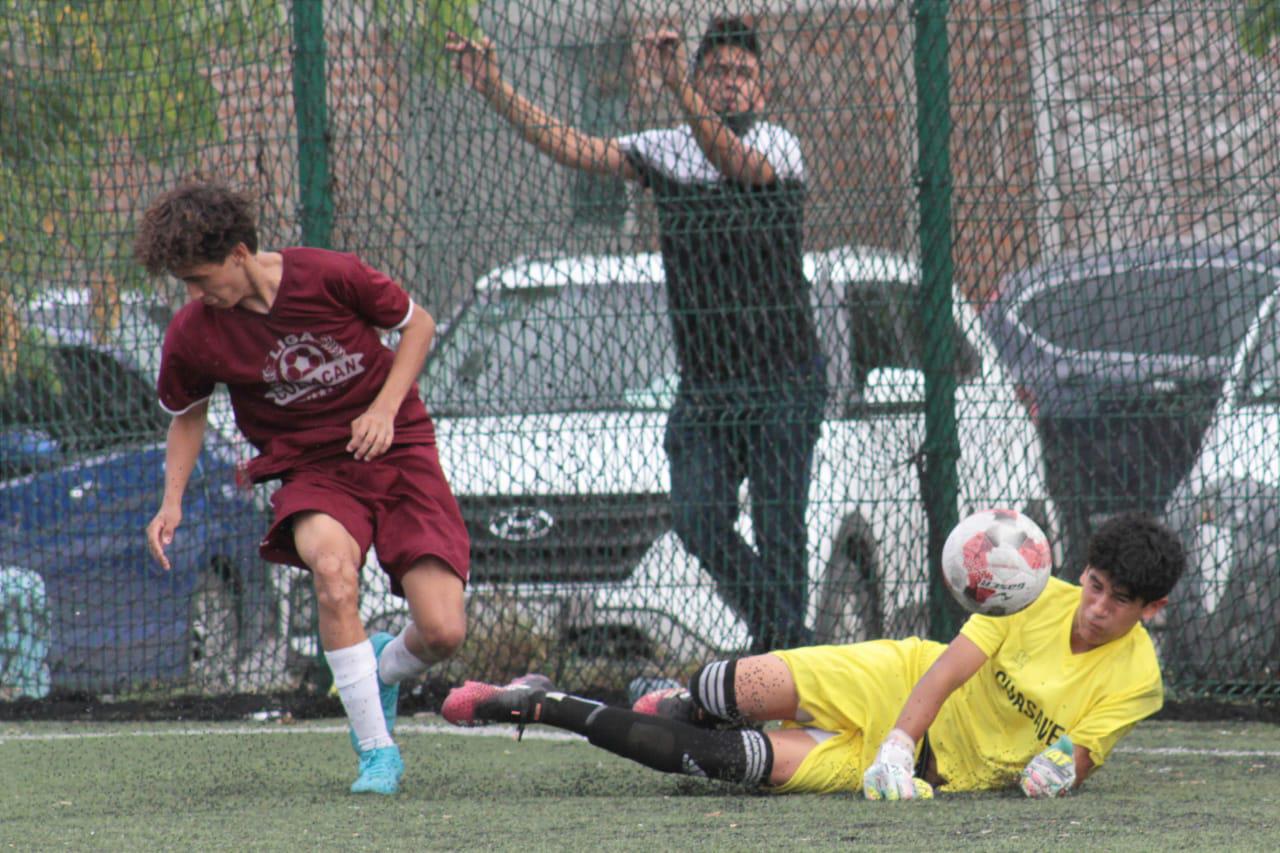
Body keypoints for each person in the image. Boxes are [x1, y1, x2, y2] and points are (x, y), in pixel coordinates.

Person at [447, 16, 828, 653]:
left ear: (760, 94)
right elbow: (574, 148)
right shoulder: (666, 149)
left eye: (743, 76)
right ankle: (789, 639)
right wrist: (495, 89)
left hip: (784, 378)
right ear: (700, 77)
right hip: (708, 386)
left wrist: (681, 87)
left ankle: (781, 657)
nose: (731, 85)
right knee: (697, 519)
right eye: (719, 72)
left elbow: (738, 165)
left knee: (779, 527)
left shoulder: (778, 146)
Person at [440, 511, 1184, 799]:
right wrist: (898, 739)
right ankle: (678, 694)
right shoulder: (1027, 593)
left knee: (717, 761)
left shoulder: (1140, 679)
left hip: (939, 771)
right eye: (1093, 584)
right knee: (731, 684)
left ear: (1151, 609)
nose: (1094, 605)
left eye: (1117, 600)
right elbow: (950, 667)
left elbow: (1082, 749)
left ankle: (537, 701)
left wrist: (1056, 772)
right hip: (898, 682)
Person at [135, 181, 470, 796]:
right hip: (313, 470)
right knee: (333, 574)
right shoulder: (194, 332)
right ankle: (377, 754)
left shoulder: (328, 275)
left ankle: (382, 668)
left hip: (398, 449)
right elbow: (188, 411)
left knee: (445, 632)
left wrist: (385, 410)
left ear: (239, 253)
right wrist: (171, 501)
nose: (195, 294)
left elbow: (417, 325)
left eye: (201, 277)